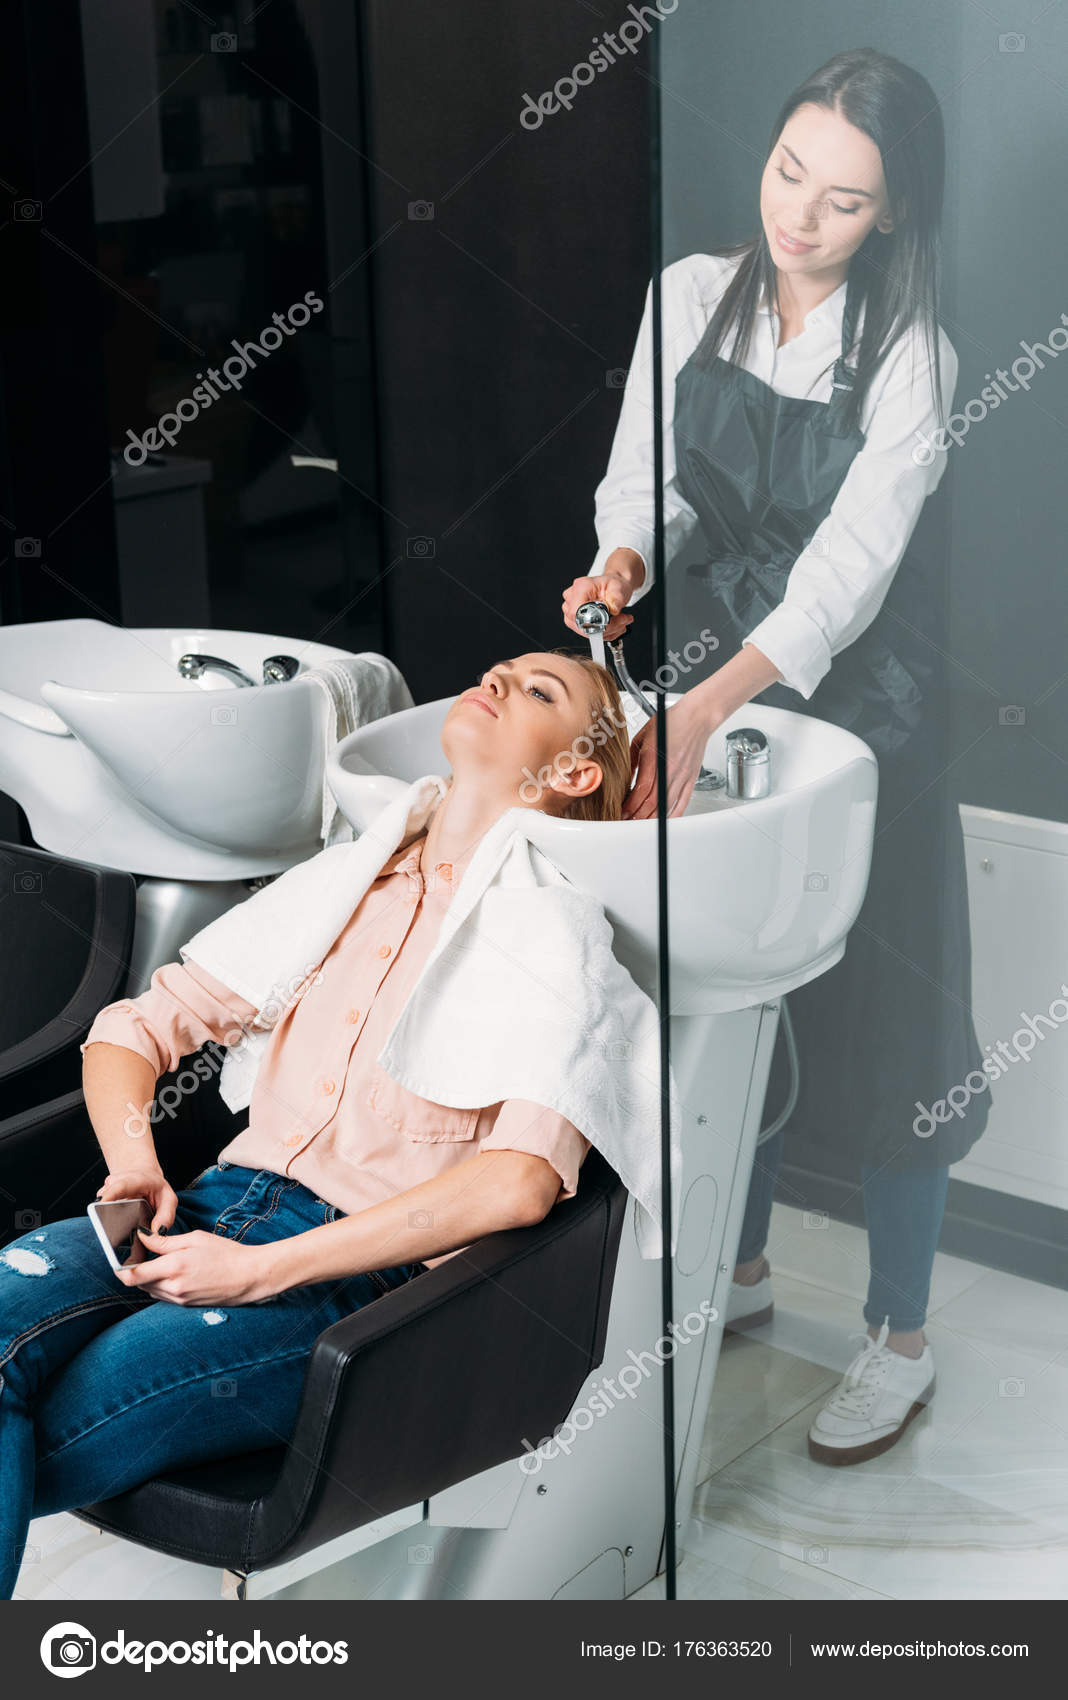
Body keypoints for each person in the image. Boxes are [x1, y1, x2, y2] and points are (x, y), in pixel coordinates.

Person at [563, 48, 989, 1465]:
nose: (800, 218)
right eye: (790, 174)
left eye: (845, 203)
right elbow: (651, 486)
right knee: (730, 978)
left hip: (869, 707)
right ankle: (734, 1281)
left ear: (894, 219)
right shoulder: (687, 296)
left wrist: (710, 704)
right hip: (714, 680)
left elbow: (843, 585)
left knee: (892, 1023)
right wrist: (621, 563)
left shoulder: (913, 356)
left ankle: (900, 1341)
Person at [0, 649, 634, 1600]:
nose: (498, 680)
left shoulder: (559, 936)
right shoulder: (346, 883)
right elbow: (128, 1031)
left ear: (575, 773)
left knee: (73, 1411)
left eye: (540, 691)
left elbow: (518, 1182)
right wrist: (136, 1162)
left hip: (352, 1283)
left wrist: (259, 1270)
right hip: (205, 1205)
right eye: (502, 669)